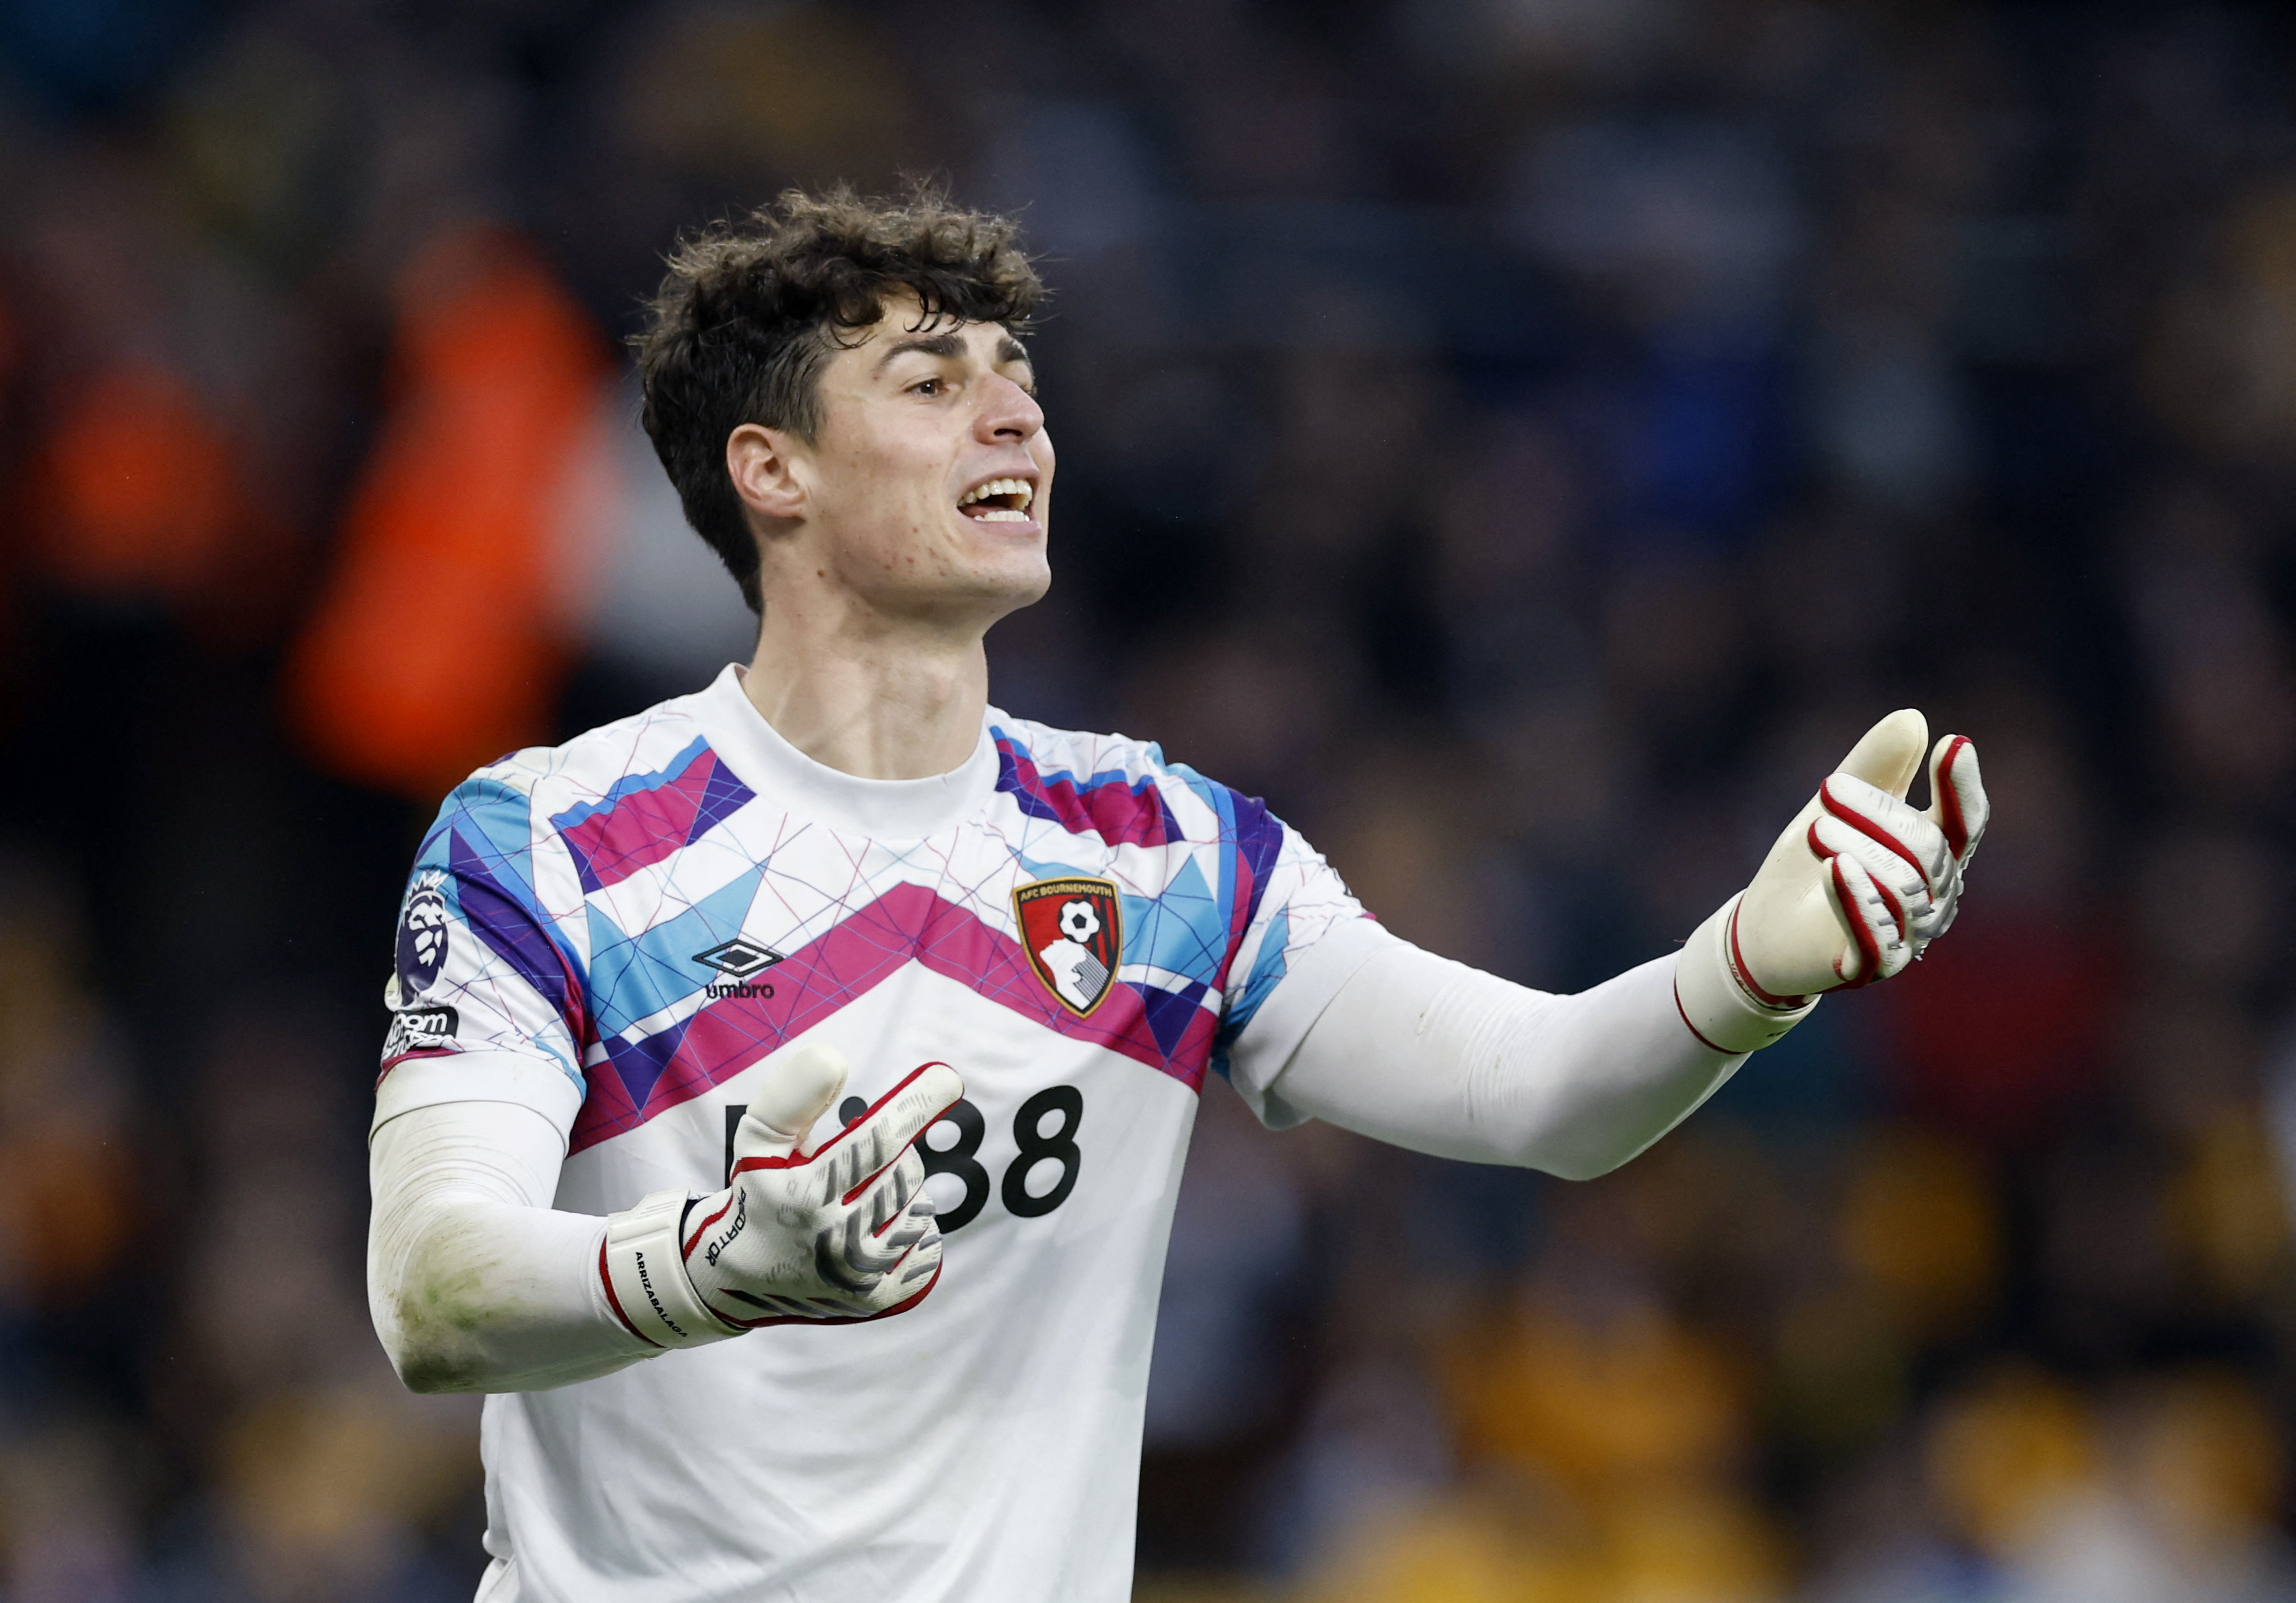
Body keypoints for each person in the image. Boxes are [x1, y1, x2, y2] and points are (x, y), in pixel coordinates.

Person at [364, 186, 1989, 1602]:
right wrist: (711, 1264)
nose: (1015, 421)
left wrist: (1743, 974)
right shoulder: (550, 842)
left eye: (1020, 381)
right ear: (771, 469)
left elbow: (1544, 1092)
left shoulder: (1164, 850)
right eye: (934, 382)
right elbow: (436, 1287)